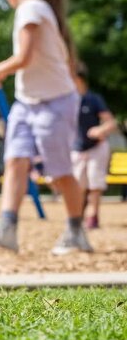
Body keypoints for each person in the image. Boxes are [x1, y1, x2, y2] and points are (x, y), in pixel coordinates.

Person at [0, 0, 93, 255]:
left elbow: (25, 57)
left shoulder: (32, 8)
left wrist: (0, 69)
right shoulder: (33, 9)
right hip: (26, 101)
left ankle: (76, 230)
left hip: (55, 101)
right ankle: (6, 228)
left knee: (59, 172)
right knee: (15, 160)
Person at [71, 63, 117, 229]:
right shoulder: (69, 100)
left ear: (79, 79)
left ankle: (93, 217)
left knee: (95, 184)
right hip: (78, 148)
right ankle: (77, 215)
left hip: (96, 147)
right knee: (79, 185)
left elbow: (111, 122)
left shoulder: (93, 99)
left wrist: (100, 129)